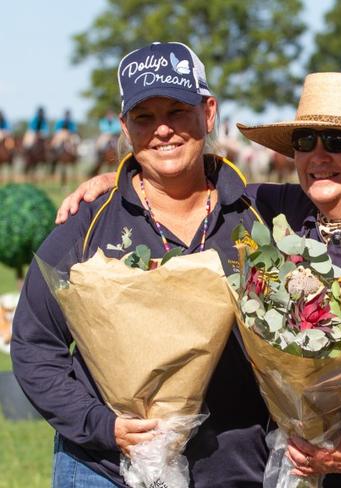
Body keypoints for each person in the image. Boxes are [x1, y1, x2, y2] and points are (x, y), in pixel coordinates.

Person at [56, 72, 341, 487]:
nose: (318, 156)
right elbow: (190, 182)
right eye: (305, 142)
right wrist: (124, 183)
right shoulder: (281, 212)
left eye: (339, 142)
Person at [12, 41, 269, 488]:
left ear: (208, 113)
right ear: (125, 128)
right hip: (104, 469)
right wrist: (100, 425)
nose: (162, 130)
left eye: (177, 112)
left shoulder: (261, 215)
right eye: (144, 118)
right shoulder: (86, 225)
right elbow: (35, 344)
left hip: (235, 470)